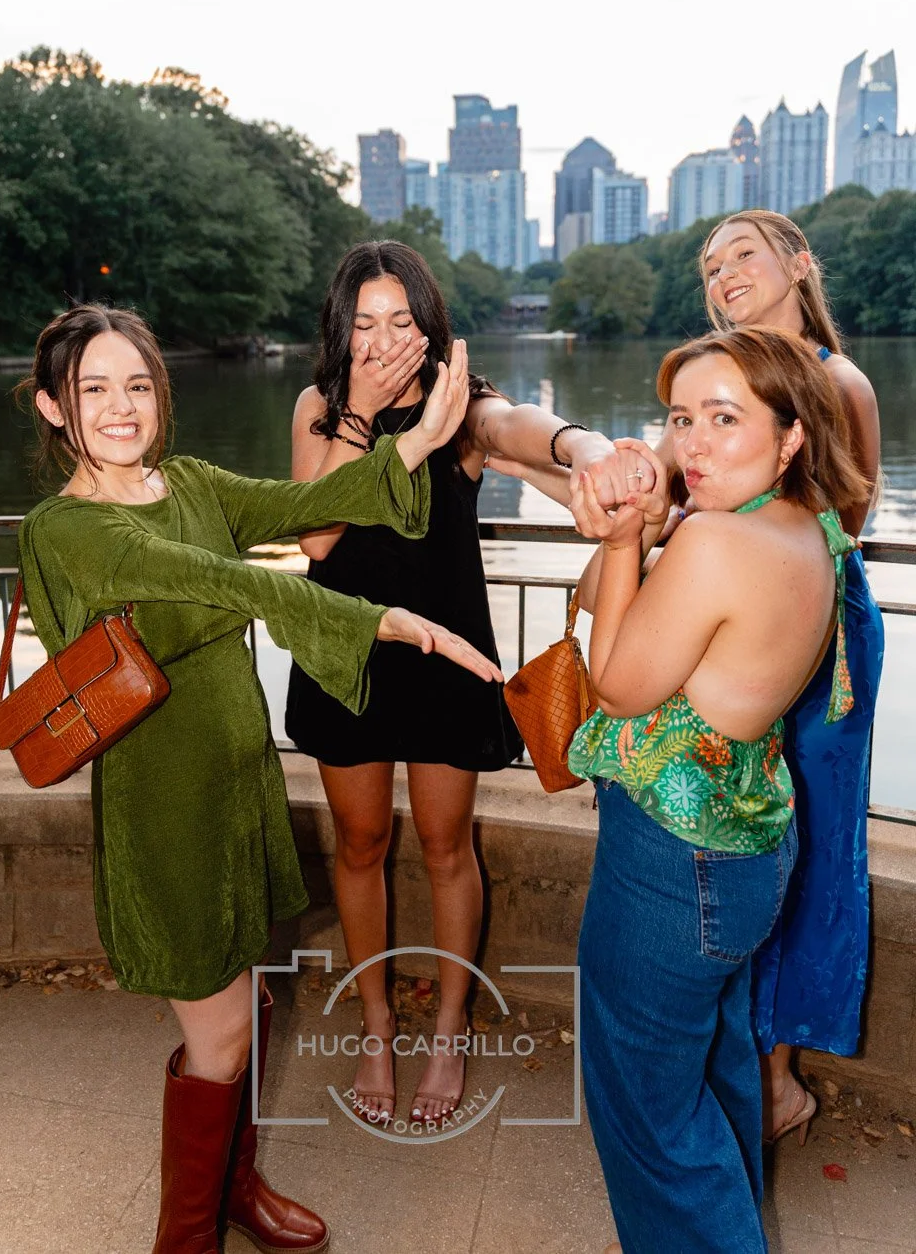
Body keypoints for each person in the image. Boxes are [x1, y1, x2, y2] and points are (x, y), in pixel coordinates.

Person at [16, 303, 504, 1254]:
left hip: (235, 777)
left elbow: (300, 512)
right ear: (51, 407)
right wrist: (381, 620)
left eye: (138, 384)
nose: (122, 407)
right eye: (93, 390)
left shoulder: (191, 482)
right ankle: (186, 1235)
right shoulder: (63, 528)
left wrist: (415, 446)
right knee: (219, 1034)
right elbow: (226, 584)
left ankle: (237, 1188)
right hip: (165, 799)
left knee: (245, 992)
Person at [284, 239, 648, 1126]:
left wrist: (586, 442)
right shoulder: (320, 408)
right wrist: (364, 415)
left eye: (401, 320)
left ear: (428, 323)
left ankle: (448, 1029)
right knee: (360, 844)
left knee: (449, 847)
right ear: (342, 328)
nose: (382, 340)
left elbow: (517, 427)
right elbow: (318, 538)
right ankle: (375, 1025)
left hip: (448, 660)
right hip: (349, 657)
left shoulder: (462, 406)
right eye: (364, 323)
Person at [565, 327, 868, 1254]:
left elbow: (614, 681)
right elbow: (595, 597)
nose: (691, 443)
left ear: (790, 437)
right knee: (722, 1064)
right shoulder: (807, 526)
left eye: (724, 419)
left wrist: (626, 539)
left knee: (649, 1111)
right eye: (680, 418)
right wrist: (645, 522)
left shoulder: (718, 544)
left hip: (674, 864)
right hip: (747, 854)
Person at [700, 212, 884, 1143]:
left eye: (742, 255)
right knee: (742, 828)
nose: (722, 272)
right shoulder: (727, 384)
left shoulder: (837, 381)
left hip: (823, 647)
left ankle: (776, 1079)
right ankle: (744, 1063)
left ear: (798, 264)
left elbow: (842, 529)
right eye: (710, 264)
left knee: (804, 840)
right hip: (746, 630)